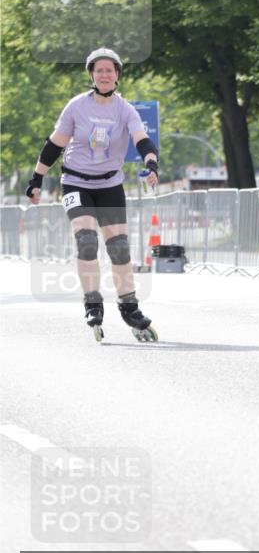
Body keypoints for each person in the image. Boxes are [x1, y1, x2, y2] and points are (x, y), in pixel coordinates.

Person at [25, 48, 159, 342]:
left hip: (110, 183)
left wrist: (151, 163)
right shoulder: (76, 107)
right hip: (76, 182)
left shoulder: (125, 110)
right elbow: (54, 144)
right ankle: (93, 303)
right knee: (86, 240)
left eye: (110, 70)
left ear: (117, 75)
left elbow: (142, 140)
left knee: (119, 247)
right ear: (91, 75)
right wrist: (36, 179)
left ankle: (129, 306)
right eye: (99, 70)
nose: (104, 74)